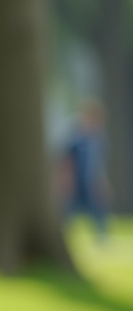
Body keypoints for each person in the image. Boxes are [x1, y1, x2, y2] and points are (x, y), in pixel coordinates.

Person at [61, 99, 109, 243]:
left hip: (91, 181)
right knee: (70, 210)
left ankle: (101, 237)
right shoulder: (76, 136)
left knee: (98, 208)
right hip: (77, 181)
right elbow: (67, 159)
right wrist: (67, 180)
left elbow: (98, 164)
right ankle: (65, 236)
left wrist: (102, 182)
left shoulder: (99, 138)